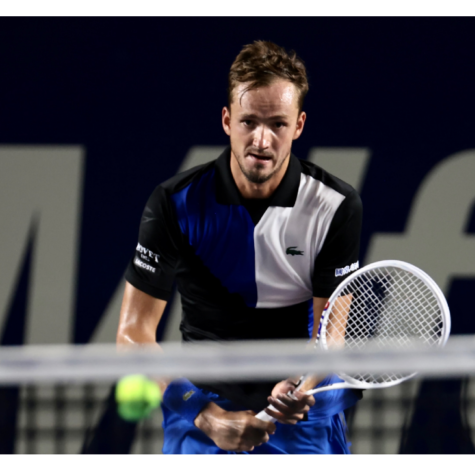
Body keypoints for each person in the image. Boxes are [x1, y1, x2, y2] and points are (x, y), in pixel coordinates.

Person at [117, 40, 363, 455]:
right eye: (249, 122)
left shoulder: (335, 207)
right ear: (227, 120)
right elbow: (132, 334)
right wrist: (205, 415)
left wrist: (301, 384)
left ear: (299, 125)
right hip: (203, 406)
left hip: (301, 411)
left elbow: (330, 336)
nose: (262, 141)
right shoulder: (174, 203)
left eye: (278, 124)